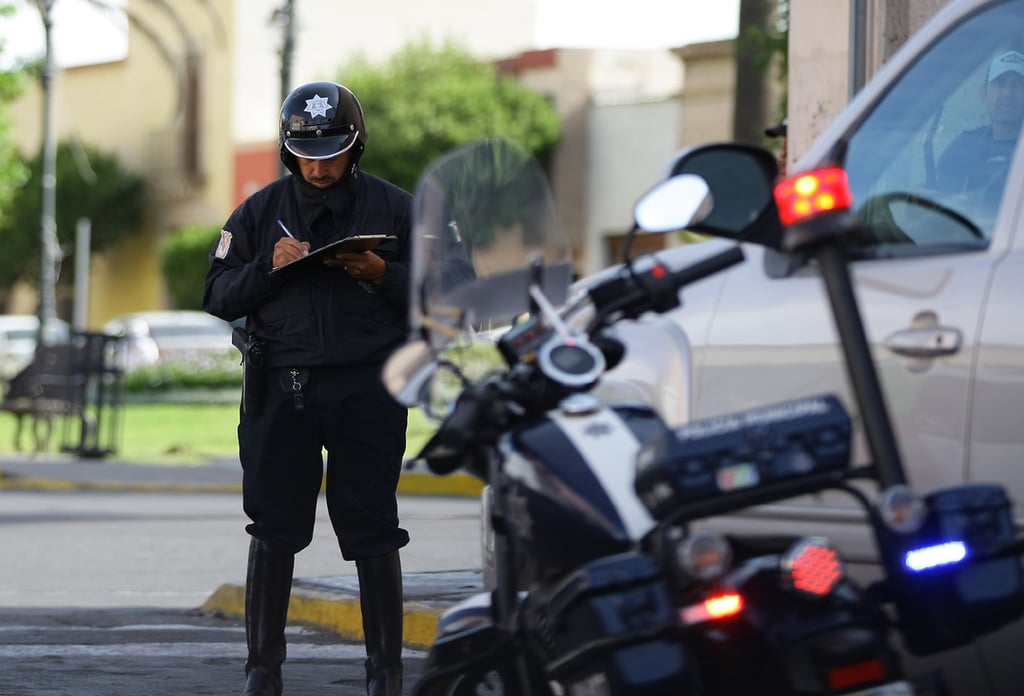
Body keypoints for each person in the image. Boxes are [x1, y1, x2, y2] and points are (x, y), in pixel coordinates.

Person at [203, 80, 411, 696]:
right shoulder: (258, 212)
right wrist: (268, 265)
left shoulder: (397, 208)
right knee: (274, 526)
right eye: (306, 154)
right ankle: (262, 675)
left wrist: (382, 272)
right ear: (289, 150)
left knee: (373, 526)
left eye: (332, 152)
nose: (318, 167)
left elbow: (450, 287)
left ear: (356, 147)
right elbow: (215, 293)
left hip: (369, 389)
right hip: (280, 389)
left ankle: (386, 676)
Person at [934, 49, 1024, 196]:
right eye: (999, 83)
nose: (1007, 92)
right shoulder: (965, 145)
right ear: (984, 94)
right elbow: (941, 195)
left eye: (1019, 84)